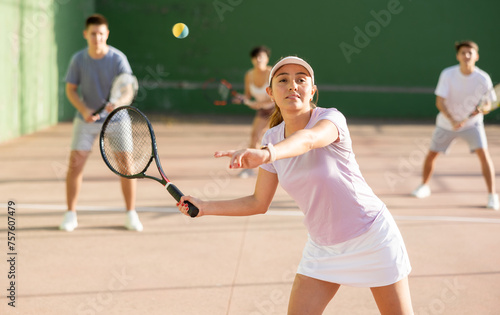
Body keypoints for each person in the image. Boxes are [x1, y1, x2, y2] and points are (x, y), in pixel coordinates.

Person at [177, 56, 414, 314]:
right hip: (323, 247)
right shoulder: (273, 137)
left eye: (301, 79)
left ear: (311, 91)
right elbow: (258, 202)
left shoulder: (331, 119)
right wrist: (204, 207)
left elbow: (309, 139)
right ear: (270, 93)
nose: (293, 85)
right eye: (283, 80)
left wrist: (267, 154)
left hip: (372, 236)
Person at [59, 14, 143, 232]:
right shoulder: (78, 59)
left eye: (101, 34)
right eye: (93, 34)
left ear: (107, 35)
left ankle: (131, 214)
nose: (97, 38)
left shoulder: (117, 58)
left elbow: (128, 89)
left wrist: (118, 104)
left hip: (117, 119)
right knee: (75, 164)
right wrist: (84, 110)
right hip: (86, 119)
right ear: (85, 35)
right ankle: (70, 214)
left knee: (126, 166)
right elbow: (70, 90)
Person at [411, 40, 499, 210]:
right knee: (431, 154)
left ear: (476, 56)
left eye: (470, 53)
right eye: (463, 53)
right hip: (446, 124)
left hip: (473, 125)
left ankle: (492, 196)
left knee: (484, 154)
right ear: (457, 56)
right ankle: (424, 186)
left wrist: (482, 109)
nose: (466, 56)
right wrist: (452, 120)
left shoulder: (483, 78)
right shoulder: (448, 74)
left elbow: (488, 104)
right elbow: (440, 102)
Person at [233, 46, 275, 178]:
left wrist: (259, 103)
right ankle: (250, 168)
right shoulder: (249, 75)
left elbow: (275, 94)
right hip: (263, 112)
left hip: (278, 110)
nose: (258, 59)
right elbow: (247, 95)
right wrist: (242, 98)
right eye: (255, 57)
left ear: (267, 59)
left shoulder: (271, 73)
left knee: (280, 138)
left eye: (261, 56)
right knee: (254, 136)